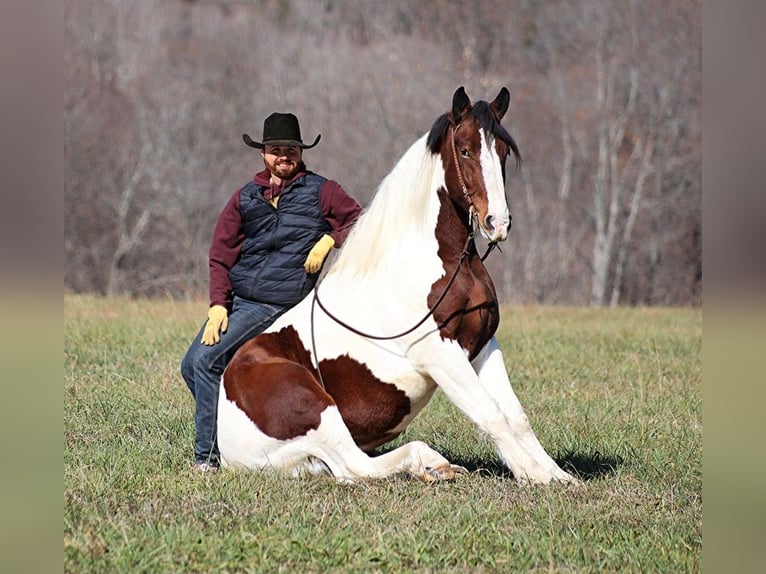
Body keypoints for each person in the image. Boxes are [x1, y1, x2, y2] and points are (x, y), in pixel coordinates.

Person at [181, 112, 362, 472]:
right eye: (276, 149)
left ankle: (207, 459)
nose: (284, 156)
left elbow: (359, 218)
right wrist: (218, 306)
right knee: (190, 366)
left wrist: (330, 239)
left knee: (205, 361)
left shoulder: (322, 191)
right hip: (240, 300)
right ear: (263, 153)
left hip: (279, 302)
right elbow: (220, 255)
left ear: (300, 152)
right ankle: (239, 433)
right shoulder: (245, 198)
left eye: (291, 149)